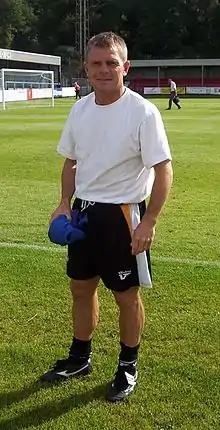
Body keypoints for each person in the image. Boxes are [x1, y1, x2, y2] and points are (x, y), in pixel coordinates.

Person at [40, 32, 173, 402]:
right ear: (86, 68)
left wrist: (149, 222)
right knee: (81, 288)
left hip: (123, 215)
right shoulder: (80, 109)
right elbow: (71, 161)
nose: (103, 69)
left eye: (111, 63)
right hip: (83, 213)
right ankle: (80, 358)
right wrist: (64, 202)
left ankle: (127, 365)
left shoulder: (142, 112)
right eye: (96, 63)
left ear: (125, 67)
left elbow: (163, 170)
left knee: (125, 295)